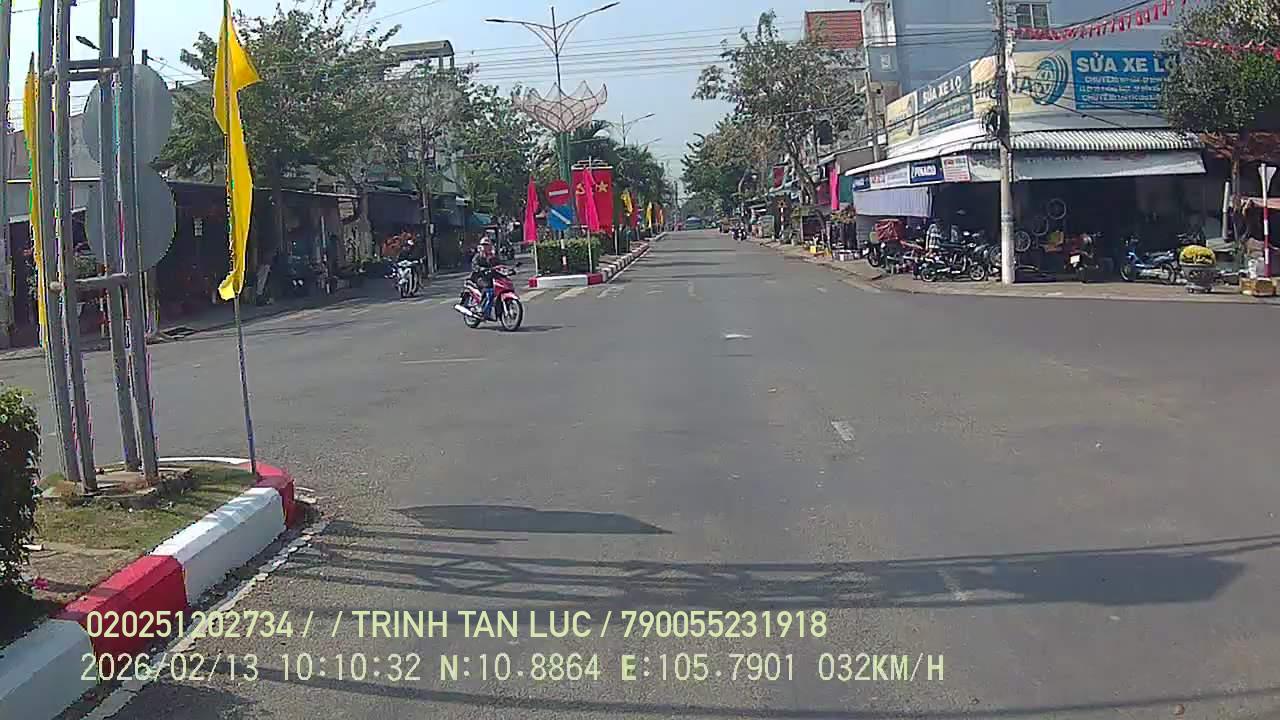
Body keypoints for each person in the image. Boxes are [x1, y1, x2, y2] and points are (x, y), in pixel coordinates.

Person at [470, 238, 501, 320]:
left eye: (487, 245)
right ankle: (482, 309)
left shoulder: (492, 256)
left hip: (491, 277)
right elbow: (474, 265)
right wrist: (481, 269)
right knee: (489, 290)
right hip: (479, 277)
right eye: (484, 245)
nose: (486, 247)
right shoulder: (478, 256)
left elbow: (499, 264)